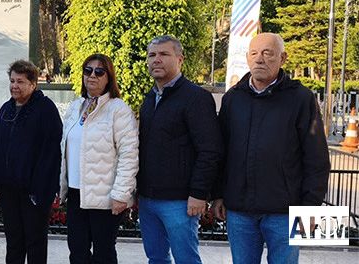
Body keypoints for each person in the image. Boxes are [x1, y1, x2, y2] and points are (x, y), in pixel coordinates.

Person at [213, 33, 330, 264]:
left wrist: (310, 207)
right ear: (247, 58)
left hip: (285, 213)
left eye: (268, 53)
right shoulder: (233, 99)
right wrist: (217, 194)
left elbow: (316, 158)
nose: (259, 59)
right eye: (254, 53)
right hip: (240, 211)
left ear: (283, 58)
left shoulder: (301, 99)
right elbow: (220, 151)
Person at [137, 35, 223, 264]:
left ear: (180, 59)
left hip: (180, 202)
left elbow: (209, 150)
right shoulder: (149, 99)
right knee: (156, 258)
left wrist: (198, 193)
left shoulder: (196, 98)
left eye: (164, 54)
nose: (156, 60)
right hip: (147, 199)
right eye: (152, 55)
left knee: (186, 260)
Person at [59, 54, 138, 264]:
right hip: (77, 193)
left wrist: (121, 194)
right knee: (77, 252)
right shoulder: (76, 107)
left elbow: (129, 154)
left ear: (108, 77)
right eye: (88, 70)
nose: (92, 75)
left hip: (105, 197)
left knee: (103, 254)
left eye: (99, 71)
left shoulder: (118, 109)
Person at [0, 60, 62, 264]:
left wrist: (42, 189)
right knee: (14, 241)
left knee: (35, 242)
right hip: (9, 189)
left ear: (33, 84)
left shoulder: (46, 109)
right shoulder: (5, 109)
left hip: (34, 191)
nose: (14, 86)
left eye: (20, 81)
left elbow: (51, 153)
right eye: (12, 81)